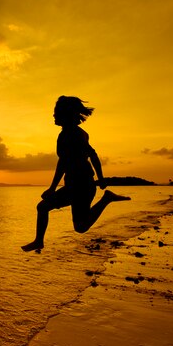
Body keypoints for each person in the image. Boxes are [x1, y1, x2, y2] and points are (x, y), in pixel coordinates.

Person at [21, 96, 130, 252]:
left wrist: (52, 188)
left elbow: (65, 162)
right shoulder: (80, 133)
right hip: (78, 185)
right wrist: (100, 177)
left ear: (65, 114)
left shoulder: (68, 135)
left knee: (70, 221)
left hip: (81, 186)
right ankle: (39, 241)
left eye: (56, 113)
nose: (53, 116)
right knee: (59, 215)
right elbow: (91, 155)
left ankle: (106, 199)